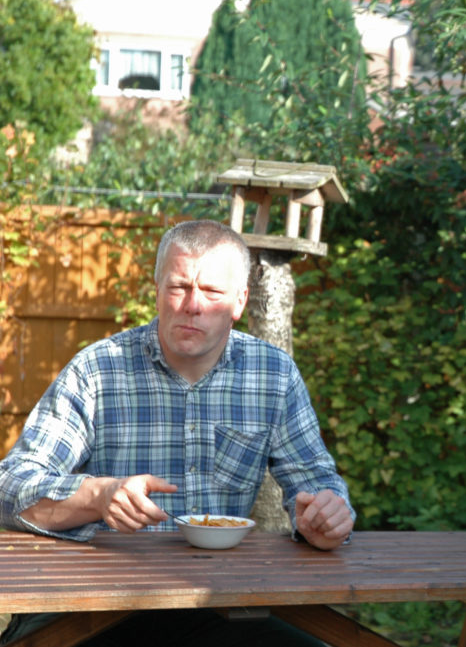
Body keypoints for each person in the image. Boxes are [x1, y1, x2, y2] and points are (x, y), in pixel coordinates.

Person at [0, 219, 354, 646]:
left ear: (240, 301)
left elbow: (316, 484)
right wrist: (97, 496)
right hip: (91, 605)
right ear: (157, 289)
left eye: (213, 292)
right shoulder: (97, 370)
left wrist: (327, 518)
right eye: (179, 287)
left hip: (217, 606)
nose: (193, 305)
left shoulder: (273, 375)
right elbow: (9, 487)